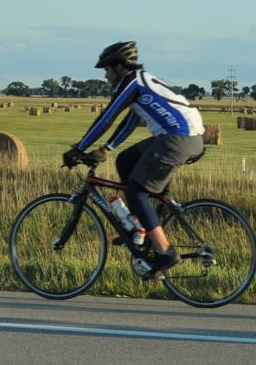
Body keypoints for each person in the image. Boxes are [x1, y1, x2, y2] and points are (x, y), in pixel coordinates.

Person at [62, 41, 205, 277]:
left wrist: (78, 148)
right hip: (185, 137)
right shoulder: (142, 81)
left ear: (120, 67)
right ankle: (139, 227)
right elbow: (129, 121)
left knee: (137, 192)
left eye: (107, 70)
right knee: (126, 160)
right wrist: (107, 149)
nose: (106, 76)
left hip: (177, 138)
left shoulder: (132, 82)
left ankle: (165, 252)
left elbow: (107, 118)